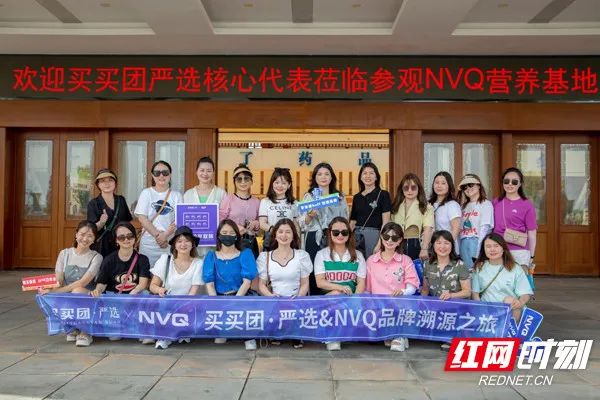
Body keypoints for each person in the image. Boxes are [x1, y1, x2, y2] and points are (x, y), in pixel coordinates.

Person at [72, 222, 151, 347]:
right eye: (121, 237)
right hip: (114, 300)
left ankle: (144, 330)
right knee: (114, 337)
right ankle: (122, 327)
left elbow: (142, 284)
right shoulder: (109, 260)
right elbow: (102, 284)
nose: (126, 240)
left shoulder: (142, 259)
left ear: (135, 238)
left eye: (130, 236)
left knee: (145, 294)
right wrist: (97, 291)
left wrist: (130, 296)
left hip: (134, 298)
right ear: (116, 241)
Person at [39, 221, 103, 346]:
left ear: (94, 239)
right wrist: (49, 288)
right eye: (82, 234)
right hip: (67, 294)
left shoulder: (96, 257)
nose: (85, 239)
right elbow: (59, 279)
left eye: (90, 236)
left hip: (88, 295)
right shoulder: (65, 253)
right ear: (76, 234)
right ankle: (72, 326)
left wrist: (56, 291)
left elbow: (83, 282)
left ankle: (85, 331)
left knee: (77, 291)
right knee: (47, 294)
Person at [202, 219, 258, 350]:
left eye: (232, 233)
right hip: (219, 298)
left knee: (250, 345)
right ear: (218, 235)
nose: (228, 235)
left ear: (237, 235)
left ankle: (248, 336)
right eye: (224, 232)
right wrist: (216, 305)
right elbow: (209, 283)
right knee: (219, 343)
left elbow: (247, 282)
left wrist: (235, 302)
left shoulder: (245, 254)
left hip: (242, 298)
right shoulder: (211, 256)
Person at [256, 218, 312, 349]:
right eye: (280, 232)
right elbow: (261, 285)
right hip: (274, 303)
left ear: (293, 235)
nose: (284, 235)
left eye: (288, 232)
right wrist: (271, 296)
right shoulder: (265, 257)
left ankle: (296, 334)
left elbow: (305, 283)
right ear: (275, 235)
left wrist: (298, 297)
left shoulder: (301, 256)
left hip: (296, 303)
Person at [314, 217, 366, 351]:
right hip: (329, 297)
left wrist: (355, 299)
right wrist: (341, 288)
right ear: (330, 233)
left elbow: (361, 282)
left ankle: (340, 333)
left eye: (344, 232)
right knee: (336, 294)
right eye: (336, 232)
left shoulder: (358, 255)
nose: (340, 235)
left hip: (351, 297)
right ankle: (333, 336)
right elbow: (320, 283)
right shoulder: (322, 254)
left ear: (349, 234)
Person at [366, 222, 419, 352]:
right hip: (377, 307)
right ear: (381, 236)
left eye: (394, 238)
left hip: (398, 305)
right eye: (386, 237)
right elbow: (367, 289)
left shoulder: (406, 260)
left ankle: (400, 335)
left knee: (395, 343)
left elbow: (412, 287)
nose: (389, 241)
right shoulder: (371, 260)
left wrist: (403, 292)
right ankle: (392, 334)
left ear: (400, 240)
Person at [149, 226, 203, 349]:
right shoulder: (165, 260)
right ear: (174, 245)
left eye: (187, 241)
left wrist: (183, 306)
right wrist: (160, 290)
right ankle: (164, 336)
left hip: (187, 306)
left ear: (192, 244)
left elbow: (193, 291)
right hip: (166, 306)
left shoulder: (198, 263)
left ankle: (182, 331)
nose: (183, 244)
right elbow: (152, 286)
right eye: (179, 241)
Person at [299, 162, 348, 294]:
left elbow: (345, 218)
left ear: (332, 177)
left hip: (335, 236)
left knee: (333, 268)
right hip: (314, 237)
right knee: (313, 270)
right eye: (319, 174)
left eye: (327, 174)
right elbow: (301, 222)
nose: (323, 177)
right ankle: (314, 300)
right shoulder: (309, 196)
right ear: (315, 178)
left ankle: (333, 296)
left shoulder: (340, 197)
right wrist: (310, 216)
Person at [421, 230, 471, 350]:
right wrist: (421, 306)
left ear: (452, 245)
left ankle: (451, 337)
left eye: (446, 243)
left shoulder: (460, 265)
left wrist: (451, 295)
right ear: (433, 245)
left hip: (454, 309)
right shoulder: (428, 264)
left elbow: (467, 291)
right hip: (435, 310)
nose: (442, 247)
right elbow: (425, 290)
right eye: (438, 243)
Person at [471, 233, 533, 322]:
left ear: (503, 248)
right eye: (488, 246)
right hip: (487, 311)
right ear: (484, 249)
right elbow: (475, 294)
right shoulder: (479, 267)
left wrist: (520, 303)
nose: (492, 249)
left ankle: (511, 328)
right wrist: (481, 310)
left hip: (510, 310)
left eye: (496, 246)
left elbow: (525, 293)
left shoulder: (515, 268)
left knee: (509, 300)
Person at [492, 167, 537, 288]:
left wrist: (531, 256)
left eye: (514, 181)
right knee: (499, 286)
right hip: (497, 249)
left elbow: (532, 232)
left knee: (519, 286)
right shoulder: (495, 202)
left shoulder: (527, 204)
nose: (510, 184)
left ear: (520, 184)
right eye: (506, 181)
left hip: (519, 251)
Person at [134, 160, 183, 267]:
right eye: (157, 173)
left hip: (169, 243)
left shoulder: (177, 195)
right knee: (146, 272)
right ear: (152, 175)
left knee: (167, 272)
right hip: (148, 244)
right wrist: (158, 236)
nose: (161, 176)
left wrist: (165, 235)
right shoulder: (146, 193)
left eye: (165, 172)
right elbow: (142, 218)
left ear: (170, 175)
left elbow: (179, 219)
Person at [184, 156, 227, 260]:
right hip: (193, 246)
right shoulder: (188, 194)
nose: (205, 174)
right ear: (196, 172)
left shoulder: (221, 193)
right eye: (202, 170)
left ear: (213, 173)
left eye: (209, 171)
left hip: (214, 244)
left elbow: (225, 218)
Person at [87, 168, 133, 256]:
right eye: (102, 181)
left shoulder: (121, 200)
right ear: (98, 184)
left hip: (121, 244)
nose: (107, 183)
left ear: (115, 183)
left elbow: (127, 223)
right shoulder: (93, 203)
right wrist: (101, 222)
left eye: (110, 180)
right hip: (102, 247)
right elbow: (91, 229)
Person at [350, 162, 392, 257]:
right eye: (365, 173)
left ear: (376, 177)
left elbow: (386, 222)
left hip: (374, 236)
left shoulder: (383, 194)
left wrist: (380, 243)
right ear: (360, 177)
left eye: (371, 173)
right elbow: (352, 222)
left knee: (372, 263)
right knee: (357, 263)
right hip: (356, 236)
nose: (368, 176)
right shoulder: (357, 197)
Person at [219, 164, 261, 258]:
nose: (243, 182)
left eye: (246, 178)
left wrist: (256, 223)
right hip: (231, 242)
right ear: (234, 182)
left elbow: (260, 223)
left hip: (250, 243)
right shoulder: (228, 199)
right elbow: (220, 220)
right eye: (239, 179)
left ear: (251, 181)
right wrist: (234, 227)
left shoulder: (256, 201)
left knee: (250, 266)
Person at [390, 173, 434, 261]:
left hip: (415, 244)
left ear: (419, 189)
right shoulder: (395, 206)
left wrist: (424, 248)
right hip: (396, 244)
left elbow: (428, 229)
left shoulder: (426, 207)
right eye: (406, 188)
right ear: (402, 189)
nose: (409, 191)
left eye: (413, 187)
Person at [457, 174, 494, 270]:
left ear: (479, 185)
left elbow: (485, 228)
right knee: (466, 273)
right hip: (463, 242)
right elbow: (459, 230)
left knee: (477, 272)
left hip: (477, 241)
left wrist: (478, 251)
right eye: (465, 187)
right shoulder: (463, 206)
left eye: (471, 185)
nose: (468, 188)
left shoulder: (485, 204)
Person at [259, 168, 299, 251]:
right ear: (272, 184)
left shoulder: (294, 203)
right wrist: (277, 231)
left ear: (289, 185)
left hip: (289, 241)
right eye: (277, 182)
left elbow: (296, 224)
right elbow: (262, 223)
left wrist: (298, 240)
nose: (280, 186)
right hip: (271, 240)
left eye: (284, 183)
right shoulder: (265, 201)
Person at [428, 171, 461, 253]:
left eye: (443, 183)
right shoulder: (429, 204)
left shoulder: (452, 205)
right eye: (436, 183)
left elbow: (456, 229)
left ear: (449, 186)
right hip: (432, 247)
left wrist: (446, 246)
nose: (439, 186)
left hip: (447, 249)